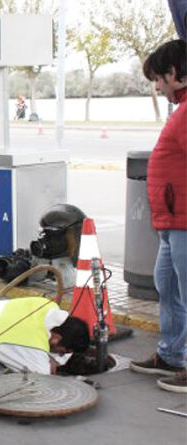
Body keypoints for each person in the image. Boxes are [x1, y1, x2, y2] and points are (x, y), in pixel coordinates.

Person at [130, 39, 187, 393]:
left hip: (183, 221)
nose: (157, 86)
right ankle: (170, 354)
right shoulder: (181, 110)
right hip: (171, 222)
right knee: (166, 285)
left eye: (158, 78)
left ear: (174, 73)